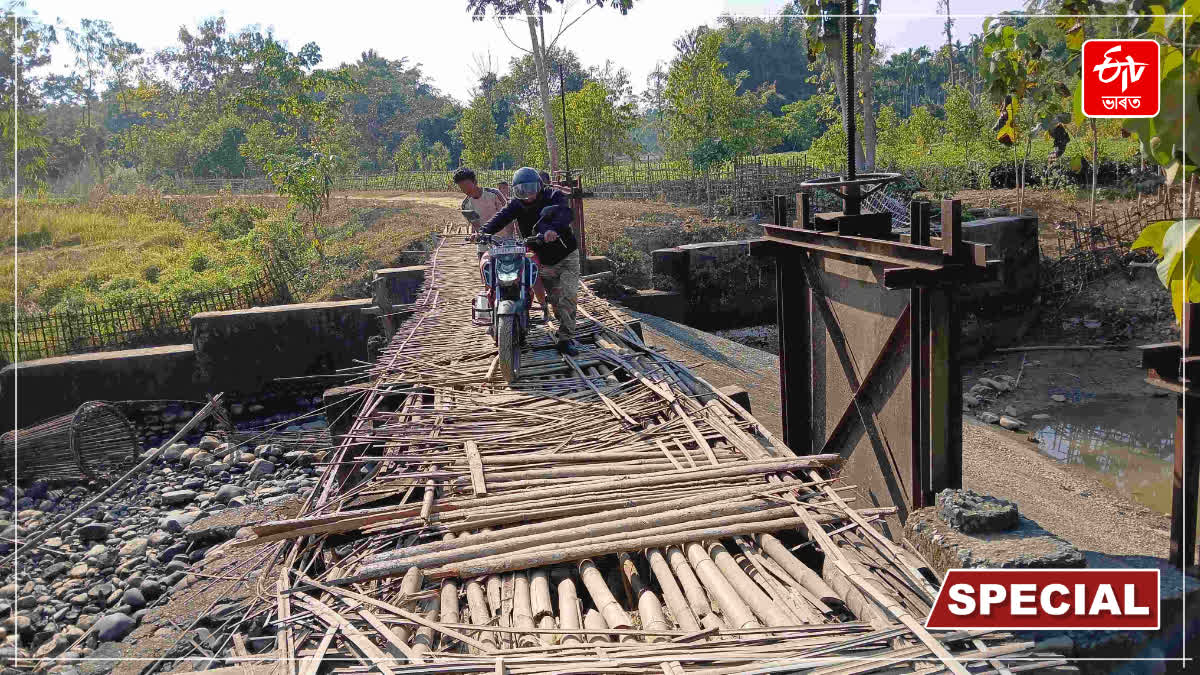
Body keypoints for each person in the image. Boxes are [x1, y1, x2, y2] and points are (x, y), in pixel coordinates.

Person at [481, 166, 580, 355]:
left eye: (531, 189)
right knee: (555, 300)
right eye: (522, 190)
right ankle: (518, 324)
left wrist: (553, 230)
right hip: (541, 257)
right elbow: (501, 217)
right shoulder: (516, 204)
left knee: (568, 297)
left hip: (566, 255)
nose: (527, 195)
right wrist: (484, 232)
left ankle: (566, 339)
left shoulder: (553, 196)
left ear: (540, 186)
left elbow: (566, 215)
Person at [453, 167, 509, 258]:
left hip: (503, 242)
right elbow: (477, 226)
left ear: (475, 182)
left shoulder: (494, 194)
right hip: (484, 245)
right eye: (462, 188)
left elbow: (508, 216)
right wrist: (475, 235)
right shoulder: (466, 205)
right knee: (485, 270)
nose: (465, 191)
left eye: (467, 186)